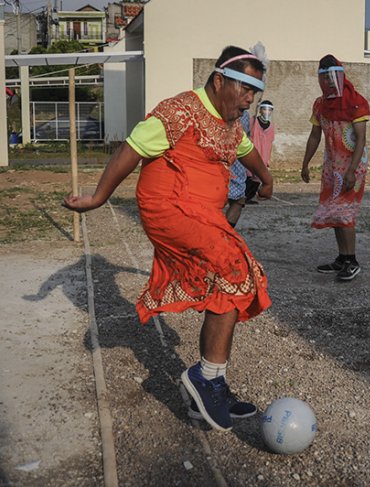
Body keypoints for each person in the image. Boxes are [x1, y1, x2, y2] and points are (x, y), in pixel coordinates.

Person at [62, 46, 274, 431]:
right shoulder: (178, 111)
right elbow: (131, 149)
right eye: (244, 88)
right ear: (219, 80)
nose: (249, 99)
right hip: (169, 207)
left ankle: (210, 385)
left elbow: (247, 152)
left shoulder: (232, 123)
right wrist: (98, 198)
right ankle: (205, 379)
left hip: (204, 214)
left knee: (235, 280)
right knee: (233, 266)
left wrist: (268, 177)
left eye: (254, 92)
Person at [301, 54, 370, 281]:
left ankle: (352, 261)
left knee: (345, 212)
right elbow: (314, 135)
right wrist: (305, 163)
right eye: (325, 77)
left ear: (341, 76)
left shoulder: (356, 102)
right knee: (334, 212)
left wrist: (351, 170)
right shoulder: (320, 105)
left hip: (352, 167)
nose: (330, 82)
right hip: (332, 167)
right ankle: (342, 257)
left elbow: (360, 139)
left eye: (334, 76)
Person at [243, 100, 276, 203]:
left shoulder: (271, 126)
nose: (267, 111)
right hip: (252, 153)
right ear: (260, 110)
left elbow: (270, 143)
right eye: (264, 109)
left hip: (263, 155)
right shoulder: (253, 122)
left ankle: (250, 197)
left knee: (259, 177)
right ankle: (243, 197)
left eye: (269, 109)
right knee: (248, 176)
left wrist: (268, 158)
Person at [225, 110, 252, 226]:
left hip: (218, 161)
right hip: (235, 162)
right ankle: (224, 234)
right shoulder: (243, 114)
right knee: (237, 201)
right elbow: (244, 144)